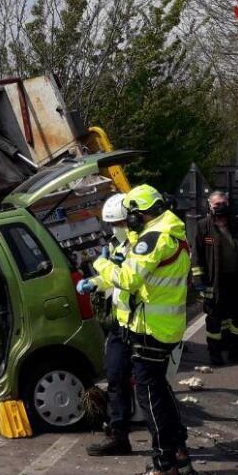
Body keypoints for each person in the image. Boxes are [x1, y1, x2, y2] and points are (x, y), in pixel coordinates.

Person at [79, 185, 195, 475]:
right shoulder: (168, 232)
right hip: (160, 327)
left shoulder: (154, 239)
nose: (127, 224)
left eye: (129, 218)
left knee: (150, 398)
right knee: (160, 393)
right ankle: (178, 456)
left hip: (150, 330)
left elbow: (129, 279)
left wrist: (102, 265)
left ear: (138, 215)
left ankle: (164, 464)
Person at [85, 194, 138, 457]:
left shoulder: (141, 245)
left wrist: (102, 265)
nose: (114, 228)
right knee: (115, 377)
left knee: (151, 385)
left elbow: (128, 279)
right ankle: (119, 436)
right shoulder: (118, 244)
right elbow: (113, 279)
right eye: (112, 223)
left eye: (118, 222)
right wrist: (94, 283)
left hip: (141, 324)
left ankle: (172, 446)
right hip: (120, 322)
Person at [191, 190, 238, 366]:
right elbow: (196, 255)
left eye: (223, 204)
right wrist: (198, 278)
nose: (221, 207)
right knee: (214, 319)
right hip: (214, 282)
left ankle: (237, 352)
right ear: (210, 206)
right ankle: (215, 353)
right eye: (217, 204)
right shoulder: (203, 226)